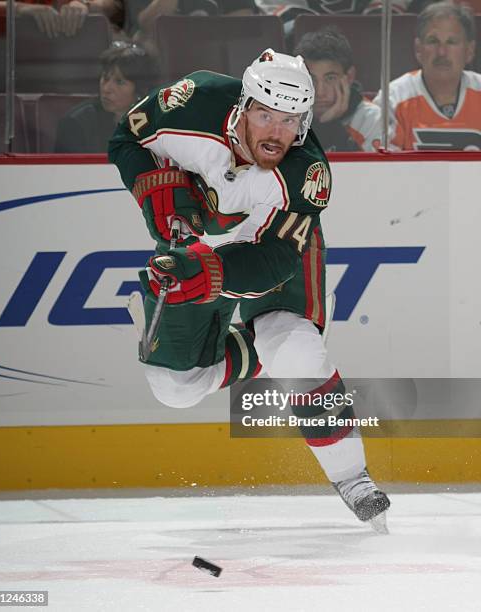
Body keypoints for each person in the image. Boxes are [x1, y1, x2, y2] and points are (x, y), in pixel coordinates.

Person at [109, 49, 390, 530]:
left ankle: (352, 477)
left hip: (264, 246)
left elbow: (277, 259)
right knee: (175, 390)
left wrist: (213, 273)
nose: (276, 132)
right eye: (265, 114)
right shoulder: (192, 103)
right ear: (242, 107)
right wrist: (150, 186)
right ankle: (259, 348)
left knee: (297, 349)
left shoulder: (306, 172)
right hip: (195, 237)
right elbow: (125, 139)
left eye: (289, 120)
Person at [374, 2, 481, 151]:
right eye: (433, 41)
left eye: (451, 42)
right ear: (418, 49)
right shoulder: (393, 98)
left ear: (469, 51)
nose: (442, 52)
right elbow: (381, 169)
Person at [55, 42, 155, 153]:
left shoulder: (156, 122)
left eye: (119, 82)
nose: (106, 89)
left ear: (140, 90)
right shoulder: (76, 124)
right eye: (105, 78)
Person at [294, 27, 381, 152]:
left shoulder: (371, 119)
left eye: (330, 78)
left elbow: (365, 171)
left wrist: (331, 126)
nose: (320, 92)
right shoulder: (285, 115)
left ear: (349, 76)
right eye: (311, 79)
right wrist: (323, 126)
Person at [0, 0, 124, 38]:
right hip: (0, 64)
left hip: (73, 64)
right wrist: (16, 8)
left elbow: (115, 5)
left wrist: (84, 4)